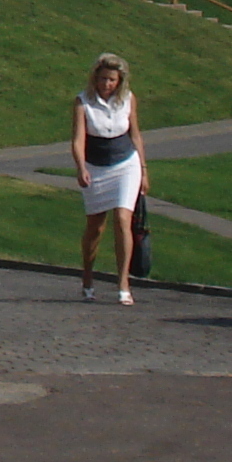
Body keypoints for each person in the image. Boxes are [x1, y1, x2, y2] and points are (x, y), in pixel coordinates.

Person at [72, 51, 147, 305]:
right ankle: (88, 278)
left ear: (120, 81)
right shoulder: (83, 102)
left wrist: (144, 170)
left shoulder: (127, 100)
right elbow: (78, 139)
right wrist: (81, 166)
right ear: (95, 79)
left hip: (126, 163)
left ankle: (123, 283)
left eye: (112, 80)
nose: (107, 85)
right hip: (96, 165)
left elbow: (135, 134)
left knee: (123, 218)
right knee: (96, 226)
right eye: (103, 79)